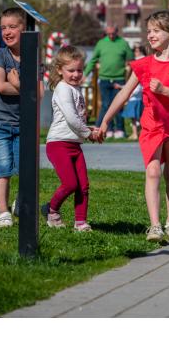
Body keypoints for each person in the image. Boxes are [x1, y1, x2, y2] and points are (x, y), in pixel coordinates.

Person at [99, 10, 169, 243]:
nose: (151, 35)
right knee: (153, 171)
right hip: (151, 126)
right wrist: (105, 120)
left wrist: (165, 91)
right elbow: (124, 93)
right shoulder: (144, 64)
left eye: (156, 31)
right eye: (149, 31)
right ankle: (155, 225)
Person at [42, 46, 101, 231]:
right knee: (70, 183)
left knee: (83, 185)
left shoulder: (75, 89)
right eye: (71, 70)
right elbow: (71, 118)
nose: (76, 74)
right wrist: (88, 133)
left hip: (74, 144)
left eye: (79, 70)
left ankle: (81, 222)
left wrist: (89, 128)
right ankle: (51, 211)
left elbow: (77, 119)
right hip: (58, 144)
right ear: (60, 70)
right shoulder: (62, 88)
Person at [0, 7, 25, 227]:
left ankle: (19, 202)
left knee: (24, 169)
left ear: (23, 28)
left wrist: (18, 83)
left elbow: (37, 93)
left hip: (22, 123)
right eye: (3, 28)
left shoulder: (31, 57)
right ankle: (3, 211)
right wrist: (25, 89)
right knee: (3, 170)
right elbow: (0, 86)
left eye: (12, 27)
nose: (7, 32)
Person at [84, 24, 134, 139]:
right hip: (104, 78)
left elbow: (131, 59)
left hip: (119, 78)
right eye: (109, 33)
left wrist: (130, 70)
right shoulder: (101, 43)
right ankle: (109, 129)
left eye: (113, 33)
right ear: (106, 32)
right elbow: (93, 60)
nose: (111, 35)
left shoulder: (123, 43)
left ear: (117, 32)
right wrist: (85, 74)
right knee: (106, 105)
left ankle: (120, 129)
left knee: (119, 105)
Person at [122, 45, 147, 140]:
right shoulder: (132, 75)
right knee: (136, 118)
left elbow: (135, 89)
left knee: (135, 119)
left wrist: (127, 96)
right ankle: (136, 133)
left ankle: (136, 133)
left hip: (134, 100)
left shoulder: (139, 67)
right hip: (136, 99)